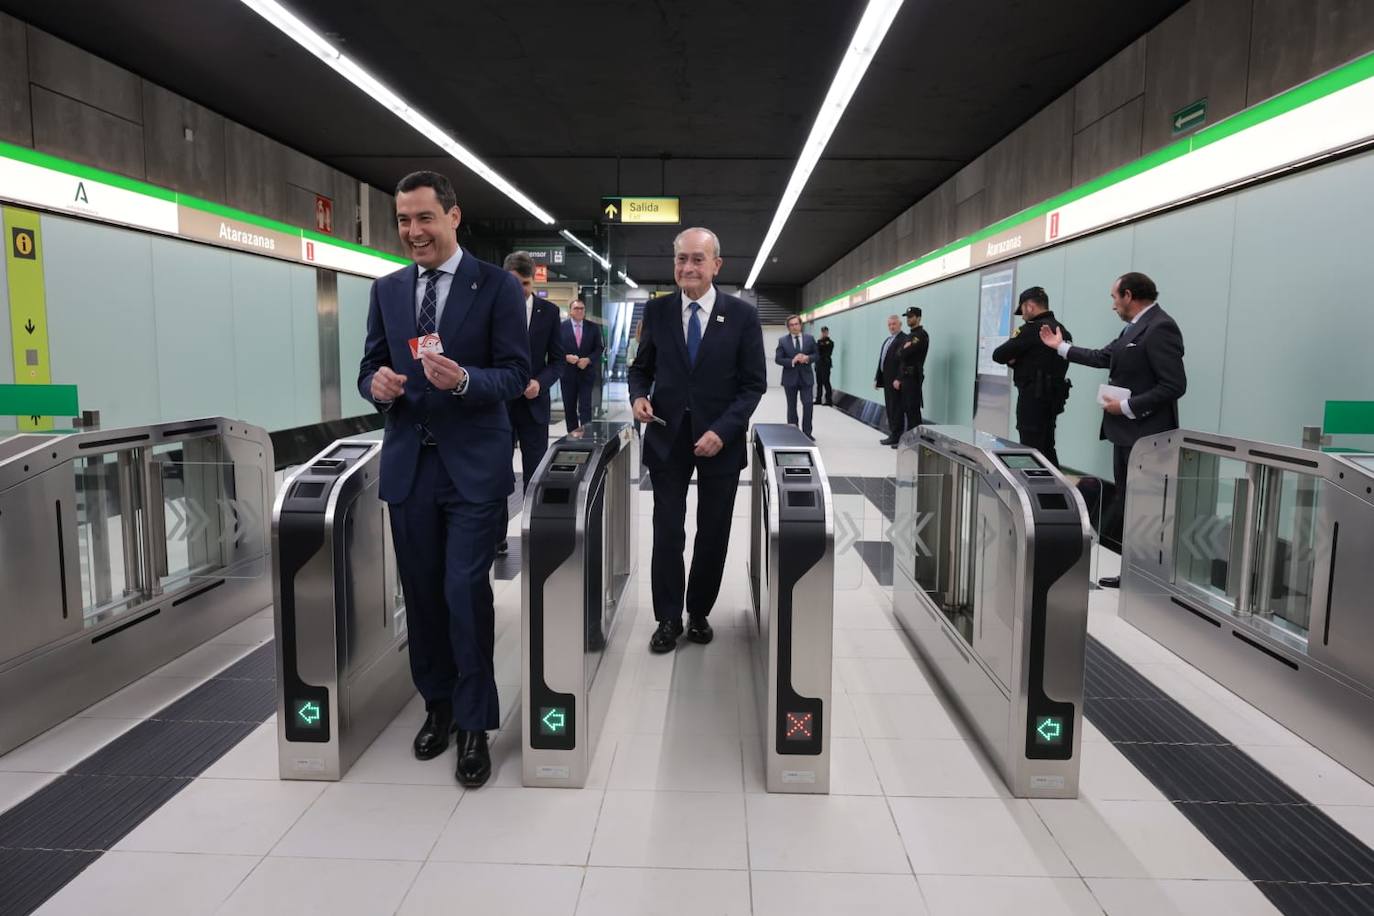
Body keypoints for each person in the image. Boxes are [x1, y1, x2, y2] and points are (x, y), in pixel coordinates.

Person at [357, 170, 528, 787]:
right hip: (411, 467)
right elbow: (370, 365)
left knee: (464, 590)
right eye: (403, 220)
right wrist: (375, 386)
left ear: (454, 217)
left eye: (424, 218)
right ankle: (439, 706)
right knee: (423, 594)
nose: (413, 232)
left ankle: (476, 723)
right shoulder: (388, 290)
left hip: (474, 469)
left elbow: (514, 374)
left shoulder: (497, 287)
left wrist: (462, 381)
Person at [629, 227, 767, 654]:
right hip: (667, 437)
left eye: (696, 260)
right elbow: (641, 368)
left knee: (713, 531)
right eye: (680, 260)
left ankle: (699, 611)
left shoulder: (741, 316)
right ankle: (668, 616)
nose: (687, 267)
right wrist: (637, 397)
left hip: (719, 444)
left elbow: (753, 385)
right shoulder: (658, 312)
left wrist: (722, 431)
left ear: (716, 265)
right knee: (667, 531)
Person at [1039, 271, 1185, 587]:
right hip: (1125, 435)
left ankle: (1148, 575)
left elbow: (1174, 385)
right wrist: (1060, 347)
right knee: (1131, 501)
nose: (1113, 305)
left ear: (1129, 296)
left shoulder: (1161, 328)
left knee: (1146, 506)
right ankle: (1134, 573)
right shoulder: (1133, 329)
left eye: (1114, 297)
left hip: (1148, 437)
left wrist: (1128, 406)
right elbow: (1102, 357)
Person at [497, 251, 564, 555]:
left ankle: (532, 534)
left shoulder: (548, 312)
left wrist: (540, 382)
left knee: (535, 472)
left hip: (534, 406)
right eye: (513, 282)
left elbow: (558, 360)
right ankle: (496, 536)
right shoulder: (491, 308)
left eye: (524, 283)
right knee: (497, 471)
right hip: (499, 405)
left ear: (532, 281)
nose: (519, 289)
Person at [992, 286, 1072, 468]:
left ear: (1029, 306)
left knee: (1031, 449)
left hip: (1032, 398)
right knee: (1048, 447)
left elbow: (998, 355)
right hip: (1054, 399)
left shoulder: (1031, 330)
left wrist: (1015, 361)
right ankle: (1055, 493)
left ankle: (1037, 494)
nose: (1023, 316)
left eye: (1023, 311)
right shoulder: (1063, 331)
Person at [560, 299, 604, 432]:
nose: (579, 311)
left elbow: (599, 348)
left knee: (585, 407)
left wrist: (588, 360)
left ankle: (587, 437)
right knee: (569, 407)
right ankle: (572, 436)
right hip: (567, 374)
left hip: (586, 373)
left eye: (582, 308)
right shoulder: (561, 327)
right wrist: (566, 357)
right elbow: (554, 349)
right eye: (576, 308)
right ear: (570, 311)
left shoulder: (593, 327)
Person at [775, 314, 818, 438]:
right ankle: (793, 433)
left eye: (796, 324)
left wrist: (807, 358)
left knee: (808, 404)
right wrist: (792, 361)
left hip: (806, 378)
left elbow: (817, 355)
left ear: (801, 325)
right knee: (791, 406)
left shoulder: (810, 339)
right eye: (791, 325)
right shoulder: (782, 341)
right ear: (788, 327)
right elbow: (778, 359)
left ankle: (807, 433)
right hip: (790, 378)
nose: (794, 327)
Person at [874, 314, 907, 447]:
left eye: (894, 324)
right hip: (887, 380)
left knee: (896, 408)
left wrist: (899, 378)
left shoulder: (904, 339)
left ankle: (897, 436)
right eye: (889, 324)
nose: (891, 326)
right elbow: (882, 360)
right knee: (890, 407)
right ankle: (893, 434)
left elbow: (903, 362)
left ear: (900, 325)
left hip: (895, 382)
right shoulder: (888, 340)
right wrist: (877, 378)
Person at [898, 306, 929, 432]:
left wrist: (904, 349)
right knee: (907, 409)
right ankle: (911, 440)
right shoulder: (910, 336)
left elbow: (904, 353)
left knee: (913, 410)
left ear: (919, 318)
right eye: (907, 317)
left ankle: (916, 441)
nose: (908, 319)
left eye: (911, 317)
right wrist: (904, 348)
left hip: (913, 377)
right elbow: (899, 353)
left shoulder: (920, 335)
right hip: (906, 377)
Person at [814, 326, 835, 406]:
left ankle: (829, 400)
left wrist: (821, 342)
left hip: (825, 364)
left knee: (826, 382)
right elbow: (816, 350)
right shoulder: (819, 341)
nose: (824, 333)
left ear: (827, 332)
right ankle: (818, 399)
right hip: (818, 364)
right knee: (819, 382)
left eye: (825, 332)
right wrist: (820, 341)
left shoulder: (830, 342)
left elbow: (826, 353)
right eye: (822, 332)